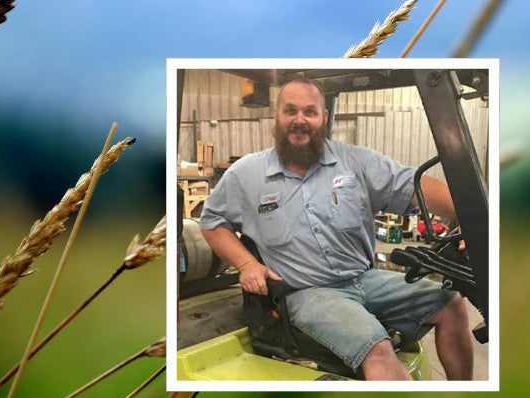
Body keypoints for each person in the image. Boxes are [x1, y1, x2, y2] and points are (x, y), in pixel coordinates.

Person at [200, 77, 473, 380]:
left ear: (324, 117)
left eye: (309, 112)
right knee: (377, 348)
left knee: (452, 305)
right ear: (276, 116)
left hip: (365, 279)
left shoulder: (356, 161)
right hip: (309, 293)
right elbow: (212, 222)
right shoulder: (246, 174)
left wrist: (470, 216)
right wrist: (247, 264)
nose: (300, 120)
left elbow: (415, 186)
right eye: (290, 111)